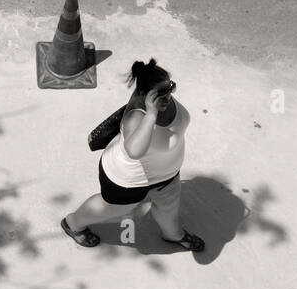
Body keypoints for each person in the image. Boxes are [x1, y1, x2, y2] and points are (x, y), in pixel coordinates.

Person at [61, 58, 205, 251]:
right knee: (110, 208)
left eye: (171, 87)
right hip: (128, 181)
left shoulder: (165, 99)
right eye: (161, 93)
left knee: (169, 206)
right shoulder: (136, 117)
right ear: (145, 95)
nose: (168, 95)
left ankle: (172, 234)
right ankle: (73, 224)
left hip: (167, 174)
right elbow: (135, 151)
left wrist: (161, 98)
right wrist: (151, 114)